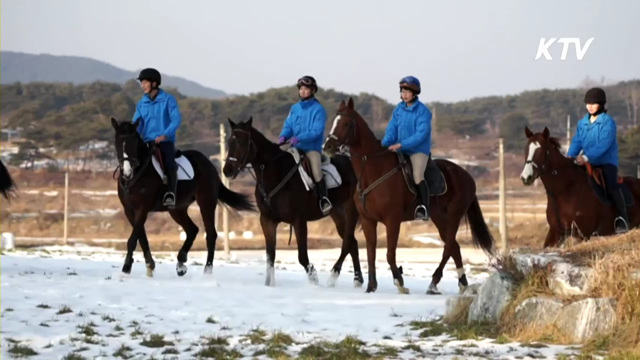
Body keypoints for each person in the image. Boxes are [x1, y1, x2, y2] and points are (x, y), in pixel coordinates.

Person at [567, 87, 628, 233]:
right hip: (587, 162)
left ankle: (622, 219)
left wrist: (586, 157)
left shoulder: (608, 122)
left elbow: (604, 144)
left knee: (611, 185)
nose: (590, 106)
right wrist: (569, 157)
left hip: (606, 162)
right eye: (588, 103)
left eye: (594, 103)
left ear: (601, 104)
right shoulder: (582, 123)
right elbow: (577, 141)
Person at [381, 76, 433, 220]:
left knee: (417, 176)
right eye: (402, 91)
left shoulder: (423, 111)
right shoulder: (399, 109)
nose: (404, 94)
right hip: (400, 148)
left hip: (418, 151)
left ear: (414, 93)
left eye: (407, 92)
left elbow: (421, 135)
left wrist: (402, 145)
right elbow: (392, 128)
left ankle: (424, 207)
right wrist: (385, 144)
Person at [278, 75, 332, 215]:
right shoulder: (294, 108)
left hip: (311, 148)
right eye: (301, 88)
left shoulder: (319, 110)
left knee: (316, 171)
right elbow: (288, 125)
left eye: (306, 89)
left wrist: (299, 138)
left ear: (313, 91)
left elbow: (316, 131)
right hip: (294, 146)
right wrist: (284, 135)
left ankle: (324, 199)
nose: (302, 91)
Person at [132, 68, 182, 208]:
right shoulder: (141, 103)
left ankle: (171, 193)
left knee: (169, 165)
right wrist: (133, 135)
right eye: (141, 83)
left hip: (164, 141)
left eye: (145, 82)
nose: (142, 85)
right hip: (147, 142)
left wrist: (165, 134)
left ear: (154, 83)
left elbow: (176, 119)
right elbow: (138, 123)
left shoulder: (168, 100)